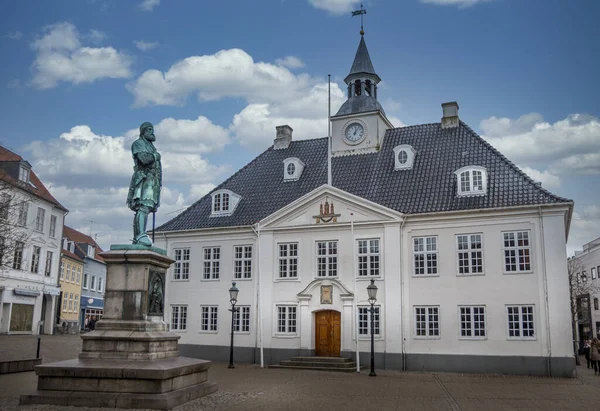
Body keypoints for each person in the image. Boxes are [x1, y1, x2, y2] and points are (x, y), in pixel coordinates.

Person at [126, 122, 162, 246]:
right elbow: (144, 159)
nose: (152, 132)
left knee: (146, 208)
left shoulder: (150, 146)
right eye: (149, 130)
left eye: (153, 129)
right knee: (143, 207)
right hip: (144, 179)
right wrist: (155, 156)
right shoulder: (138, 144)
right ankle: (140, 235)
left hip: (152, 181)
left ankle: (140, 235)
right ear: (143, 132)